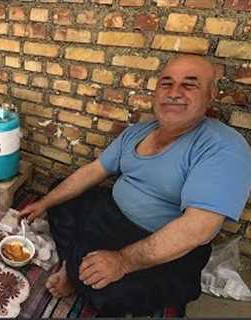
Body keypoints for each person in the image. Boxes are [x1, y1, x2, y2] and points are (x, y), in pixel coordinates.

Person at [19, 55, 251, 316]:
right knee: (60, 197)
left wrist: (123, 261)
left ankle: (76, 267)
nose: (174, 93)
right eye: (166, 83)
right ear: (155, 91)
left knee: (112, 294)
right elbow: (94, 171)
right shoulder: (139, 131)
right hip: (110, 213)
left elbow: (198, 230)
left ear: (211, 95)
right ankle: (75, 266)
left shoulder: (223, 147)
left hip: (159, 240)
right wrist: (45, 202)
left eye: (189, 85)